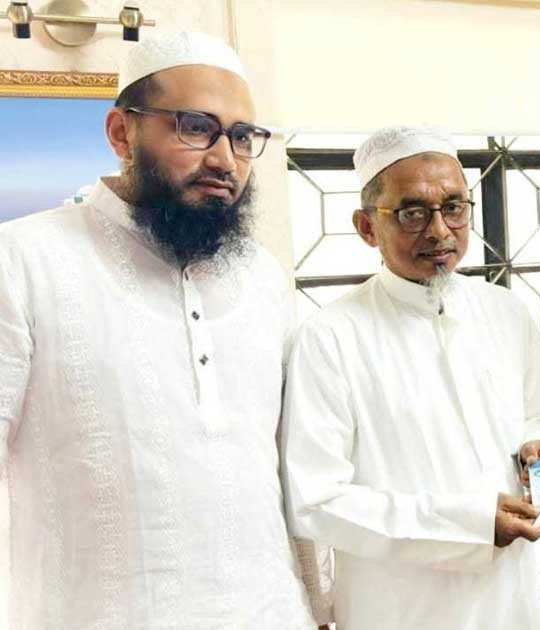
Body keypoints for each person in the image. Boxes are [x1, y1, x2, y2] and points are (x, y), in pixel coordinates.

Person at [0, 32, 323, 628]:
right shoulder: (22, 259)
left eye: (242, 137)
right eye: (195, 127)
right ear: (122, 133)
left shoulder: (261, 277)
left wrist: (320, 604)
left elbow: (289, 464)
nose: (224, 159)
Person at [281, 126, 540, 629]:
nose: (439, 231)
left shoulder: (506, 311)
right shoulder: (329, 338)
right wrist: (465, 526)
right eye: (412, 213)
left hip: (510, 598)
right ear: (367, 227)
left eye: (454, 207)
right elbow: (316, 501)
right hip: (402, 608)